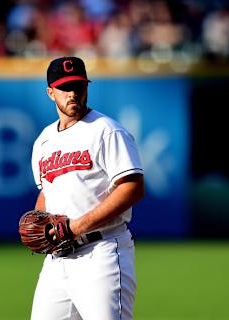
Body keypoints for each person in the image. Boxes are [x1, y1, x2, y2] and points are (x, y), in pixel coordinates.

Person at [29, 56, 145, 320]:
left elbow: (132, 187)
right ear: (50, 92)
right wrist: (41, 222)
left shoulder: (106, 131)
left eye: (78, 86)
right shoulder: (44, 141)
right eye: (65, 87)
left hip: (101, 252)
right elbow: (48, 190)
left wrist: (75, 227)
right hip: (58, 260)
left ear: (87, 87)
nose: (73, 93)